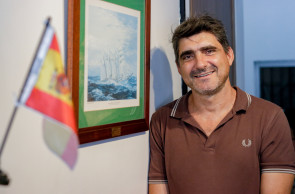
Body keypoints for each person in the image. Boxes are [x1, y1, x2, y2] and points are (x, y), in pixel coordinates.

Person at [148, 15, 295, 194]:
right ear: (179, 68)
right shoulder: (161, 120)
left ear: (229, 55)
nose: (200, 64)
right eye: (188, 56)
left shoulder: (270, 117)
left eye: (209, 51)